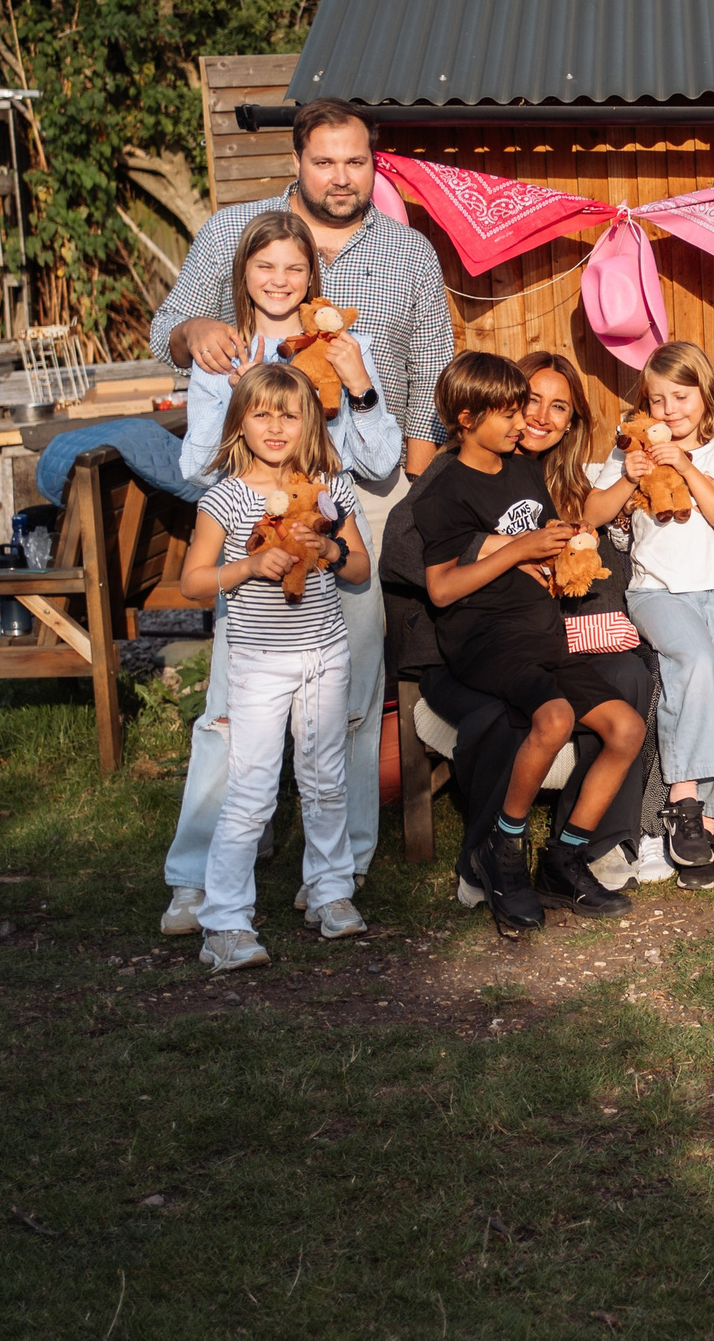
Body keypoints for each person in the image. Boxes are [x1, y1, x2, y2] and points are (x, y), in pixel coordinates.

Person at [151, 98, 450, 896]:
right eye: (325, 160)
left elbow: (429, 371)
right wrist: (196, 340)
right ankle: (201, 869)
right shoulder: (233, 231)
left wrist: (410, 486)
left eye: (357, 161)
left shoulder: (408, 254)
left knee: (350, 685)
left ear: (374, 162)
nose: (341, 176)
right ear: (297, 159)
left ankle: (340, 864)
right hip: (249, 498)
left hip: (356, 491)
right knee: (235, 690)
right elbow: (171, 327)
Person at [157, 212, 402, 936]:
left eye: (294, 268)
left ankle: (340, 870)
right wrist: (222, 384)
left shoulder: (340, 344)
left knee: (349, 704)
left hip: (335, 519)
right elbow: (199, 464)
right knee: (228, 715)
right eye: (266, 267)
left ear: (312, 277)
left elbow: (379, 457)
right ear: (244, 274)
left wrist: (359, 385)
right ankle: (196, 877)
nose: (280, 280)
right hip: (252, 536)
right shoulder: (225, 348)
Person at [415, 354, 644, 932]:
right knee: (555, 717)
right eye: (511, 412)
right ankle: (504, 848)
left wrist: (559, 552)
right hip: (485, 639)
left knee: (626, 728)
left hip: (542, 633)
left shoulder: (522, 471)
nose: (524, 422)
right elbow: (441, 589)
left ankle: (564, 858)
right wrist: (517, 552)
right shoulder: (444, 489)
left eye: (526, 411)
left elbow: (538, 536)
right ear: (467, 418)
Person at [176, 363, 376, 971]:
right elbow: (191, 581)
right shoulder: (226, 498)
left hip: (326, 656)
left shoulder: (325, 492)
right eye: (261, 413)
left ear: (309, 422)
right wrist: (246, 567)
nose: (275, 426)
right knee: (253, 791)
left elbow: (360, 568)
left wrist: (331, 549)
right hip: (260, 663)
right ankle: (225, 923)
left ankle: (330, 890)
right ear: (240, 421)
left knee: (325, 780)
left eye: (289, 414)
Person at [578, 342, 714, 890]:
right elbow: (592, 512)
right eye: (657, 400)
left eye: (681, 396)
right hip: (657, 593)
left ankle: (707, 823)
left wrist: (689, 467)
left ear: (705, 394)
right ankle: (682, 802)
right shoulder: (631, 449)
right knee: (694, 661)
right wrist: (629, 477)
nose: (670, 410)